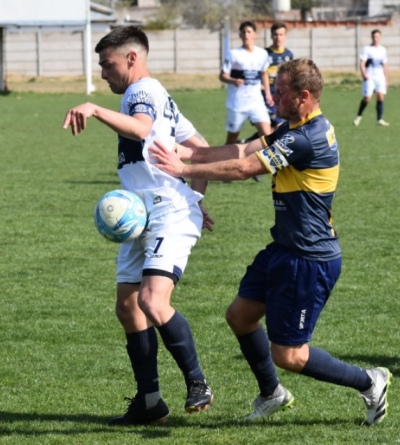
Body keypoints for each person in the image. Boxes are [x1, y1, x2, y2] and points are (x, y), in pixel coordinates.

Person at [150, 58, 392, 426]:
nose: (271, 95)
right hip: (284, 248)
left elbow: (245, 169)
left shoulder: (304, 138)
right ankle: (272, 394)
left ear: (304, 96)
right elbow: (241, 151)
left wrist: (183, 169)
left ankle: (370, 381)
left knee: (290, 355)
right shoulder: (295, 127)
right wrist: (190, 153)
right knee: (240, 317)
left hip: (309, 258)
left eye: (279, 91)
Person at [62, 26, 214, 426]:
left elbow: (143, 129)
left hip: (165, 211)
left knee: (152, 301)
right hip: (143, 213)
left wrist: (94, 109)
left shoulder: (141, 91)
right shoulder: (158, 95)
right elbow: (200, 148)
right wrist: (197, 198)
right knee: (129, 307)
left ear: (131, 58)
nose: (103, 73)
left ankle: (197, 381)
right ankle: (150, 403)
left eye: (107, 64)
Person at [219, 21, 273, 146]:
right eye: (243, 32)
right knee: (231, 141)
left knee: (268, 136)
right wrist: (233, 80)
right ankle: (222, 163)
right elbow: (222, 75)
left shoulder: (262, 54)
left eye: (249, 32)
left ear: (255, 34)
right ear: (240, 35)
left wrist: (268, 94)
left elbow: (264, 73)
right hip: (237, 103)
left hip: (256, 102)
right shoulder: (233, 54)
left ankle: (267, 165)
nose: (246, 35)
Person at [243, 22, 294, 143]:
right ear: (271, 36)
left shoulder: (289, 55)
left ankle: (247, 143)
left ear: (285, 36)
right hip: (264, 98)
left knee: (274, 130)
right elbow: (255, 72)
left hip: (281, 98)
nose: (278, 38)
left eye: (281, 34)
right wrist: (260, 86)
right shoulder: (264, 53)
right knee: (271, 130)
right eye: (276, 34)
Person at [353, 29, 389, 126]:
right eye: (374, 37)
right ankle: (358, 116)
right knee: (367, 98)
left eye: (377, 37)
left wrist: (386, 79)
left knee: (380, 97)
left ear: (380, 37)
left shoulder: (383, 50)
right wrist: (364, 74)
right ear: (371, 37)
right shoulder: (367, 49)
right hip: (369, 76)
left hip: (380, 76)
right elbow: (362, 63)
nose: (375, 39)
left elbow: (385, 65)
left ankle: (380, 119)